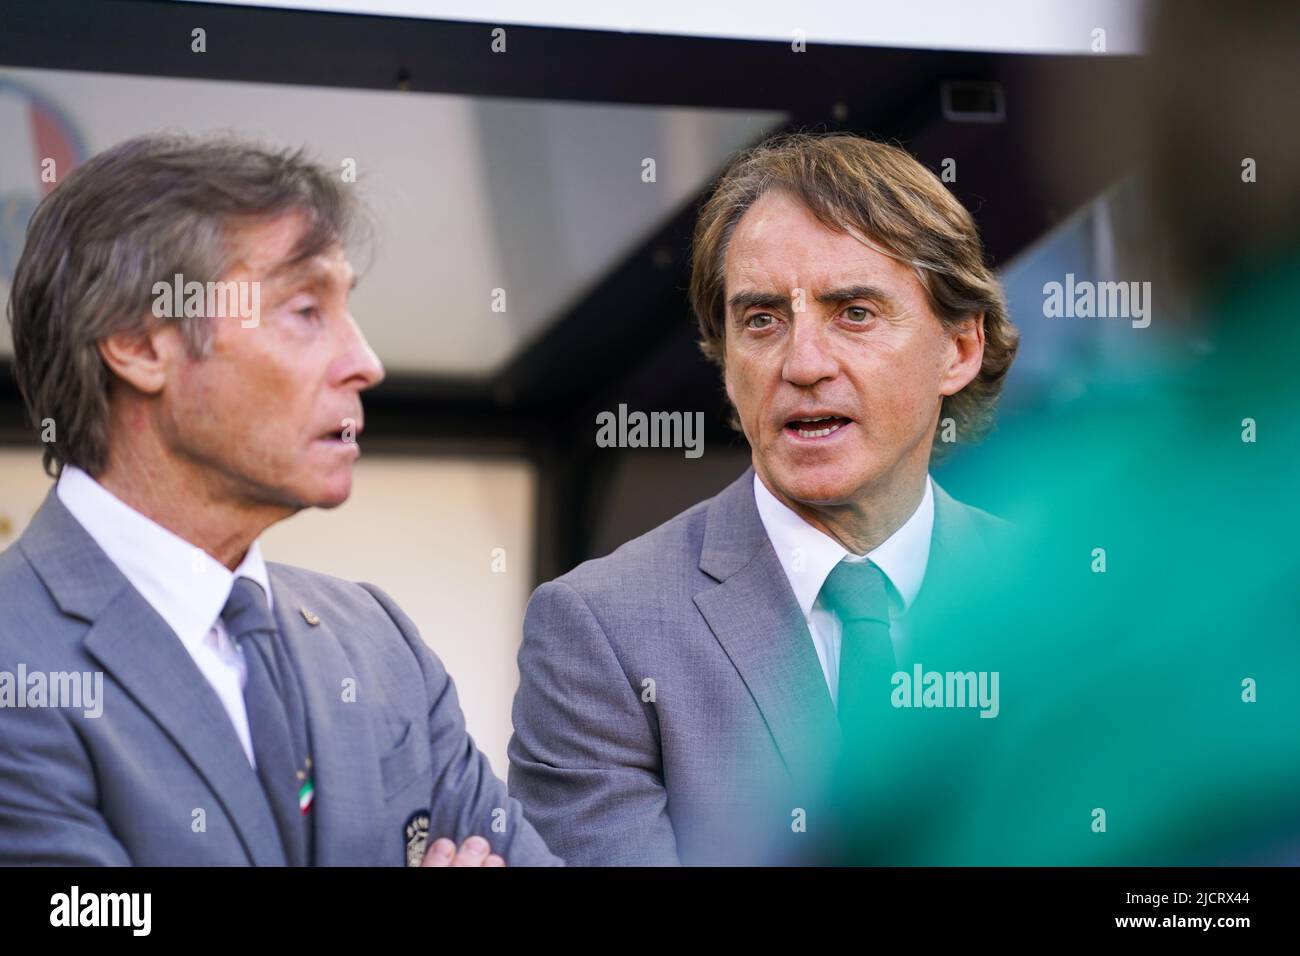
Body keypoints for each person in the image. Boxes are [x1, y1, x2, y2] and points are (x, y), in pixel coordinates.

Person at [0, 133, 559, 867]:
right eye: (304, 310)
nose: (366, 363)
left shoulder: (378, 641)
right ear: (137, 344)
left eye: (346, 310)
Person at [508, 132, 1019, 864]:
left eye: (855, 313)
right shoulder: (599, 632)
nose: (803, 364)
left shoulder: (1065, 594)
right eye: (761, 320)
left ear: (959, 349)